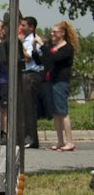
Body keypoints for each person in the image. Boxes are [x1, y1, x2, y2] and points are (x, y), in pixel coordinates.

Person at [44, 20, 79, 151]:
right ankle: (60, 140)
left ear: (62, 33)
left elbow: (55, 59)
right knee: (56, 112)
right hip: (52, 80)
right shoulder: (54, 47)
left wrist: (44, 47)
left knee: (63, 111)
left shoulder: (67, 48)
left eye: (55, 31)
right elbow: (47, 60)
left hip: (61, 81)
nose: (52, 33)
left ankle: (70, 141)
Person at [19, 17, 45, 149]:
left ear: (31, 27)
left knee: (30, 108)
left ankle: (32, 138)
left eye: (24, 25)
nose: (21, 28)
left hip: (32, 75)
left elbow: (28, 56)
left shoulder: (33, 40)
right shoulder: (25, 39)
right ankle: (26, 136)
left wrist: (19, 45)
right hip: (24, 74)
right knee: (24, 108)